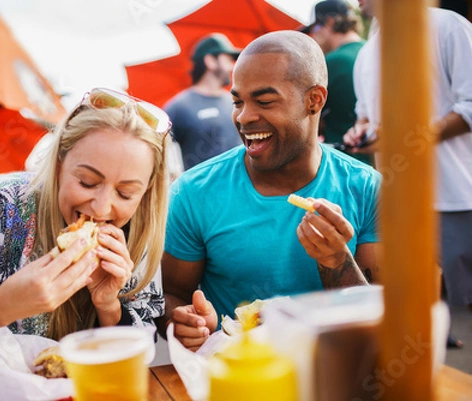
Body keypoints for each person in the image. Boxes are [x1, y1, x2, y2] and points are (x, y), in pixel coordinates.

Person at [0, 87, 170, 399]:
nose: (101, 208)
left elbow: (142, 348)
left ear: (145, 193)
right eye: (87, 182)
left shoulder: (136, 229)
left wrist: (109, 305)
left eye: (125, 193)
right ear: (60, 163)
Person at [159, 31, 381, 351]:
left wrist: (335, 260)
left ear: (314, 100)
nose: (244, 116)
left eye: (264, 101)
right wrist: (183, 321)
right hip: (239, 375)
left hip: (338, 373)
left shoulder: (366, 187)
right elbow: (171, 295)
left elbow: (380, 316)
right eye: (237, 101)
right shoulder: (193, 193)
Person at [343, 3, 472, 347]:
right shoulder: (367, 53)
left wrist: (406, 138)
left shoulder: (449, 26)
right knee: (423, 315)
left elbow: (471, 105)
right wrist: (361, 134)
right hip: (398, 203)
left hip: (459, 194)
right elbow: (365, 117)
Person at [301, 0, 372, 166]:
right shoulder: (372, 50)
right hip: (378, 163)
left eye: (314, 29)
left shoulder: (330, 62)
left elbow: (303, 120)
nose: (313, 37)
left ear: (330, 23)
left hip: (346, 165)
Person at [164, 32, 242, 170]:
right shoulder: (179, 106)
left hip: (240, 188)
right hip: (199, 190)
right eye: (228, 60)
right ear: (210, 61)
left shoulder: (237, 102)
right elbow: (159, 152)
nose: (232, 67)